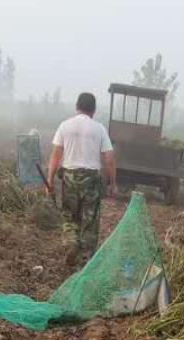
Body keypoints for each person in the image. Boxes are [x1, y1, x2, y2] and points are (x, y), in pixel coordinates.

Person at [47, 92, 117, 266]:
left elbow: (55, 155)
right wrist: (112, 183)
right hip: (91, 181)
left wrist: (49, 180)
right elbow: (109, 158)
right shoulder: (99, 129)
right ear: (93, 110)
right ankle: (85, 260)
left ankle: (71, 244)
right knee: (89, 220)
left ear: (77, 107)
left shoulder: (64, 126)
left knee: (70, 217)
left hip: (69, 179)